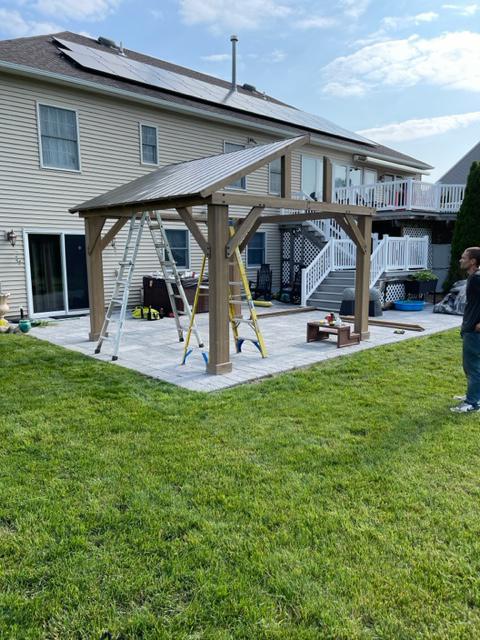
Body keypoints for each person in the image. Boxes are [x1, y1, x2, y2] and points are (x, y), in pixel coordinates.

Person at [451, 246, 480, 413]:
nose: (460, 260)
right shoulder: (474, 277)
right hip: (471, 327)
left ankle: (472, 403)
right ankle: (474, 395)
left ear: (473, 261)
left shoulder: (477, 278)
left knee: (472, 366)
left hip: (474, 331)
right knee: (471, 366)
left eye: (464, 257)